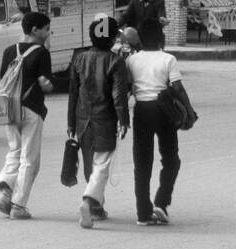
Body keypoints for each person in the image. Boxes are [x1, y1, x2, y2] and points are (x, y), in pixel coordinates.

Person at [127, 18, 195, 226]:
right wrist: (189, 110)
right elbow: (177, 88)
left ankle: (142, 213)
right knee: (171, 159)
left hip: (141, 110)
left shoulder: (132, 60)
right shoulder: (168, 59)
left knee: (142, 163)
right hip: (164, 110)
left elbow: (127, 87)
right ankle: (161, 202)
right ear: (161, 38)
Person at [67, 16, 131, 228]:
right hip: (105, 120)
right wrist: (124, 120)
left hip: (82, 119)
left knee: (90, 163)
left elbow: (73, 94)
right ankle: (89, 201)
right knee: (102, 164)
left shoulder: (79, 59)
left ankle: (97, 207)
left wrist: (70, 122)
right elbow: (118, 96)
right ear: (113, 39)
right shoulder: (116, 61)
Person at [0, 11, 54, 220]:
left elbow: (2, 77)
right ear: (35, 30)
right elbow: (45, 83)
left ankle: (5, 189)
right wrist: (46, 84)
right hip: (31, 108)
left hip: (8, 107)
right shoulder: (41, 53)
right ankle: (18, 205)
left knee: (14, 151)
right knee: (29, 159)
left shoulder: (10, 50)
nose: (49, 32)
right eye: (46, 28)